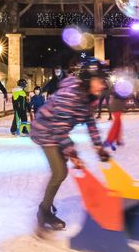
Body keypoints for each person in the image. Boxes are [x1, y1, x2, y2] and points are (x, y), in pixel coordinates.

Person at [30, 58, 110, 231]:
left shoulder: (89, 96)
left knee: (61, 168)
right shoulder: (70, 95)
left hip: (57, 130)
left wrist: (98, 145)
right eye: (99, 81)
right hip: (46, 129)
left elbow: (89, 120)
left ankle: (47, 204)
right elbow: (59, 129)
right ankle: (43, 212)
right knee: (60, 172)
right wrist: (73, 155)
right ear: (88, 80)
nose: (102, 85)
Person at [104, 81, 128, 151]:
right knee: (116, 124)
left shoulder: (120, 92)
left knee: (119, 124)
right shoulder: (117, 92)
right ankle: (109, 140)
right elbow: (121, 97)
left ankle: (117, 140)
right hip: (116, 108)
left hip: (118, 108)